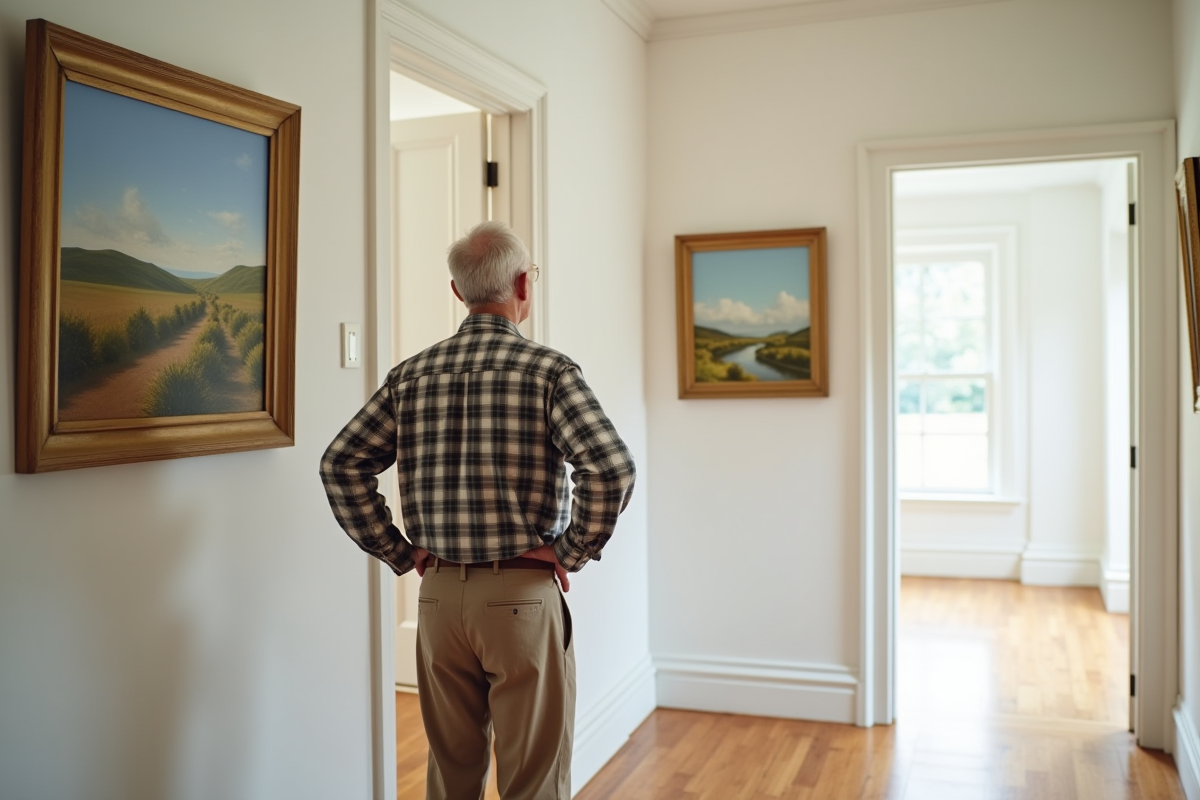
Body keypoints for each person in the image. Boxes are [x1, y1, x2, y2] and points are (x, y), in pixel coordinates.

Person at [320, 221, 636, 800]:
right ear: (522, 284)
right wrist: (570, 552)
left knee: (451, 773)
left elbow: (339, 464)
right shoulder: (549, 372)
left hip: (438, 600)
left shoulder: (410, 376)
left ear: (456, 292)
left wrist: (398, 550)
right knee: (533, 780)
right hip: (521, 597)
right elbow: (610, 467)